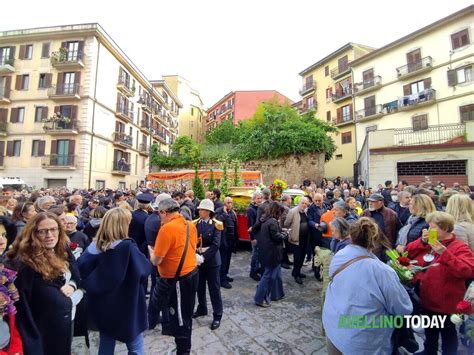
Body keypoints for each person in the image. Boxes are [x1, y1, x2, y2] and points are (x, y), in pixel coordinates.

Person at [323, 217, 413, 355]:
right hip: (363, 341)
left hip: (334, 326)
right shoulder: (383, 271)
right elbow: (403, 309)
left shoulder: (340, 255)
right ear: (375, 240)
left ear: (351, 236)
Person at [7, 212, 82, 355]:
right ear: (32, 233)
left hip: (63, 324)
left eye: (54, 229)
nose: (50, 235)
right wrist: (79, 295)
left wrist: (73, 285)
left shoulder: (61, 249)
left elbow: (77, 273)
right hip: (42, 332)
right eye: (43, 231)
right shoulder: (25, 264)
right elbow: (23, 311)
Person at [78, 208, 150, 355]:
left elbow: (81, 269)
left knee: (106, 342)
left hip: (104, 304)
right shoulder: (127, 247)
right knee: (135, 346)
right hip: (128, 303)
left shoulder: (93, 246)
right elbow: (144, 271)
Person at [406, 212, 474, 354]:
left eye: (433, 227)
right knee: (430, 332)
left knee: (448, 335)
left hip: (446, 303)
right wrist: (422, 242)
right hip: (428, 298)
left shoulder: (459, 247)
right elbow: (408, 252)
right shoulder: (432, 242)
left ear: (445, 228)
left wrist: (445, 253)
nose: (429, 230)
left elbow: (467, 271)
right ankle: (429, 351)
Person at [148, 198, 198, 355]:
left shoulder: (167, 229)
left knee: (181, 318)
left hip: (178, 280)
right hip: (191, 274)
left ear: (163, 212)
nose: (158, 217)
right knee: (186, 313)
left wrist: (151, 252)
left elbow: (156, 260)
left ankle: (183, 351)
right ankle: (181, 346)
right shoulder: (190, 225)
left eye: (159, 214)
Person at [192, 199, 224, 330]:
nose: (200, 211)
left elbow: (216, 244)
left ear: (209, 212)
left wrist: (203, 257)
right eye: (199, 209)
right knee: (199, 287)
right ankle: (202, 308)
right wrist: (196, 254)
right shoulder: (195, 223)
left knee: (214, 289)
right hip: (198, 260)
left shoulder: (216, 224)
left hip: (211, 262)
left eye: (202, 209)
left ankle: (217, 315)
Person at [254, 202, 287, 307]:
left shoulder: (265, 220)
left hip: (266, 252)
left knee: (268, 276)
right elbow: (277, 237)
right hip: (272, 254)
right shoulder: (272, 222)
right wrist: (285, 234)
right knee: (268, 277)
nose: (281, 215)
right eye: (280, 212)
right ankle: (260, 299)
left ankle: (267, 297)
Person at [284, 197, 310, 285]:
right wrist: (290, 232)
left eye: (306, 204)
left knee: (302, 256)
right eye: (303, 203)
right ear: (299, 203)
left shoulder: (306, 212)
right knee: (297, 257)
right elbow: (286, 223)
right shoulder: (293, 211)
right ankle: (296, 274)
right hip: (296, 239)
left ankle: (297, 271)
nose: (304, 205)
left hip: (304, 239)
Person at [215, 197, 238, 289]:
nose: (230, 204)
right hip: (223, 241)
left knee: (228, 260)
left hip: (230, 240)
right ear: (224, 203)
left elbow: (234, 226)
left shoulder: (232, 212)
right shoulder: (219, 211)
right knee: (223, 260)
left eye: (231, 202)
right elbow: (216, 222)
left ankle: (225, 275)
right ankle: (221, 279)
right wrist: (224, 214)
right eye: (228, 202)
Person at [247, 192, 263, 281]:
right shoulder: (251, 209)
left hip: (260, 235)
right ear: (254, 199)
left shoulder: (259, 208)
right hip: (255, 236)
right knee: (255, 255)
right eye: (258, 198)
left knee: (258, 254)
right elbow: (249, 225)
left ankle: (257, 269)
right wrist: (252, 238)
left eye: (260, 198)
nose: (260, 200)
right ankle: (252, 272)